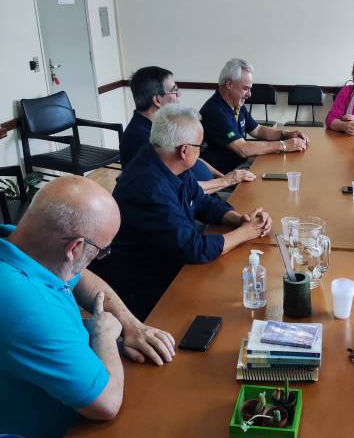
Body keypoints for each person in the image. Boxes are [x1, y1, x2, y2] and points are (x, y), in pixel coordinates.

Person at [0, 176, 176, 438]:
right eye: (102, 250)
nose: (99, 256)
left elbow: (81, 277)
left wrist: (131, 325)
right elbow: (106, 404)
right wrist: (104, 335)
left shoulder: (24, 245)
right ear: (74, 247)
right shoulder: (32, 309)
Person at [91, 104, 272, 321]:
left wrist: (239, 219)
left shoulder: (168, 162)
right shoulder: (149, 188)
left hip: (169, 260)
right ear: (184, 151)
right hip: (143, 285)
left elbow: (202, 202)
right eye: (201, 145)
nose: (202, 150)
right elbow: (193, 248)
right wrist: (246, 232)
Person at [121, 66, 255, 193]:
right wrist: (226, 181)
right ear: (157, 101)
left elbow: (195, 159)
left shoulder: (164, 125)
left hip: (212, 188)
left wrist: (224, 178)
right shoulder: (140, 138)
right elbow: (177, 188)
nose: (179, 94)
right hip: (195, 199)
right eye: (174, 90)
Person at [200, 58, 309, 174]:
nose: (249, 94)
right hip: (226, 174)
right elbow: (243, 149)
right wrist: (284, 145)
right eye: (245, 88)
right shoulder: (215, 111)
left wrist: (285, 134)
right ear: (229, 84)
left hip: (240, 165)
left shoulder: (236, 104)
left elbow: (258, 130)